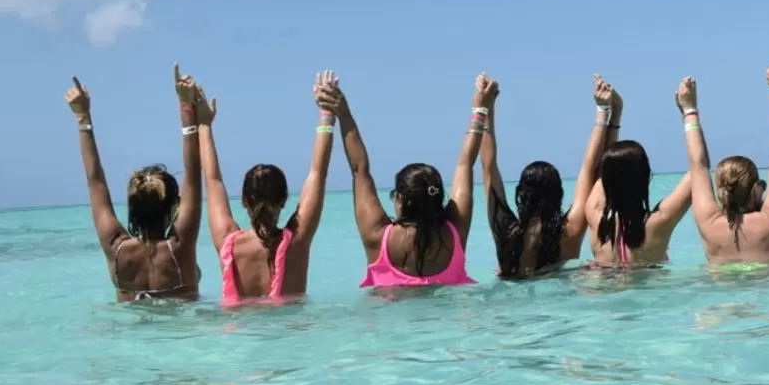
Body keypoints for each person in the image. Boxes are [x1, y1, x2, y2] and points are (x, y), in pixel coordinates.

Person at [318, 72, 493, 288]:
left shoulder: (377, 236)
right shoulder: (455, 230)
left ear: (399, 199)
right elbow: (465, 164)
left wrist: (342, 113)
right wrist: (480, 107)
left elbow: (359, 170)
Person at [65, 64, 207, 301]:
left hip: (129, 326)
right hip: (183, 325)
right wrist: (186, 107)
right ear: (174, 207)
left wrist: (82, 118)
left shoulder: (116, 248)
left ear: (132, 207)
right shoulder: (179, 246)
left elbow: (95, 181)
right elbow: (193, 174)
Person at [198, 70, 340, 303]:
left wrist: (204, 125)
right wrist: (327, 113)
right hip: (291, 327)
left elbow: (212, 180)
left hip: (237, 328)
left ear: (244, 201)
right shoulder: (296, 241)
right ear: (284, 200)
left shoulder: (227, 242)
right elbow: (318, 173)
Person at [480, 74, 624, 278]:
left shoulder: (505, 231)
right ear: (559, 194)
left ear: (521, 194)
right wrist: (604, 111)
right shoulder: (570, 230)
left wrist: (486, 107)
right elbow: (590, 168)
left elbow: (488, 167)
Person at [679, 68, 769, 265]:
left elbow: (698, 165)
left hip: (719, 286)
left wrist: (689, 110)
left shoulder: (708, 223)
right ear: (756, 189)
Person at [583, 83, 694, 269]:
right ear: (646, 175)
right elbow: (698, 172)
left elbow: (600, 167)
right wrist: (689, 110)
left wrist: (611, 112)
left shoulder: (594, 215)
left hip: (599, 282)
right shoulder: (658, 222)